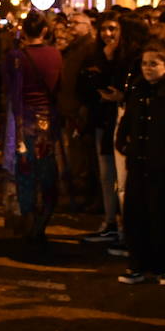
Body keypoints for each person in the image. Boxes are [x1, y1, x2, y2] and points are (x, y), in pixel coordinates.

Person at [115, 42, 165, 284]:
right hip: (138, 160)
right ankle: (137, 264)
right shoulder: (138, 89)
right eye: (145, 63)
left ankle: (163, 267)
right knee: (135, 213)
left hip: (160, 161)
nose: (147, 68)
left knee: (160, 215)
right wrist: (122, 141)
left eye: (153, 63)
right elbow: (129, 119)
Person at [2, 12, 63, 241]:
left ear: (23, 31)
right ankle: (44, 216)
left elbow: (9, 89)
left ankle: (29, 216)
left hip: (23, 121)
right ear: (45, 31)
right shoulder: (56, 54)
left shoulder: (15, 56)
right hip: (48, 121)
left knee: (25, 171)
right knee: (47, 170)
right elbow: (59, 87)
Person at [80, 15, 124, 243]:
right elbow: (87, 86)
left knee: (120, 177)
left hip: (120, 123)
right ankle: (110, 220)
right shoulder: (94, 55)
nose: (109, 34)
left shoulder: (125, 57)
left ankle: (119, 224)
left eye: (113, 28)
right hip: (101, 122)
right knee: (106, 175)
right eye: (104, 29)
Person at [57, 12, 100, 212]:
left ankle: (86, 194)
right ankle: (78, 192)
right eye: (70, 22)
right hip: (69, 107)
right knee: (75, 154)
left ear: (87, 25)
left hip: (79, 109)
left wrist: (82, 106)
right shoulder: (73, 47)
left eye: (76, 23)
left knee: (83, 156)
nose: (71, 26)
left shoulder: (89, 47)